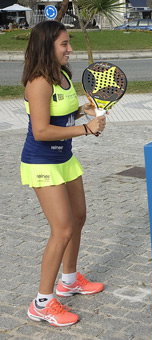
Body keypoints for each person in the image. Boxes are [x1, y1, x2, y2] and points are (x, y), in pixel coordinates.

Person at [21, 20, 106, 327]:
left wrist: (86, 109)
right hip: (42, 161)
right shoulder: (38, 82)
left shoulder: (63, 75)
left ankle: (68, 281)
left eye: (69, 43)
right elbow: (42, 130)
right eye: (64, 45)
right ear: (48, 47)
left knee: (79, 217)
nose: (70, 49)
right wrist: (86, 129)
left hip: (65, 159)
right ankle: (42, 303)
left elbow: (65, 111)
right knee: (63, 229)